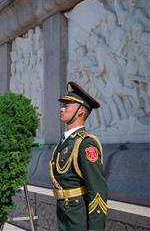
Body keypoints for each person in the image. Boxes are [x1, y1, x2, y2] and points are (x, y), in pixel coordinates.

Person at [49, 81, 108, 231]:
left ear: (81, 110)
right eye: (62, 105)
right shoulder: (66, 141)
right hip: (65, 213)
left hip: (78, 217)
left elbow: (98, 191)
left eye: (66, 106)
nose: (61, 109)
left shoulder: (85, 145)